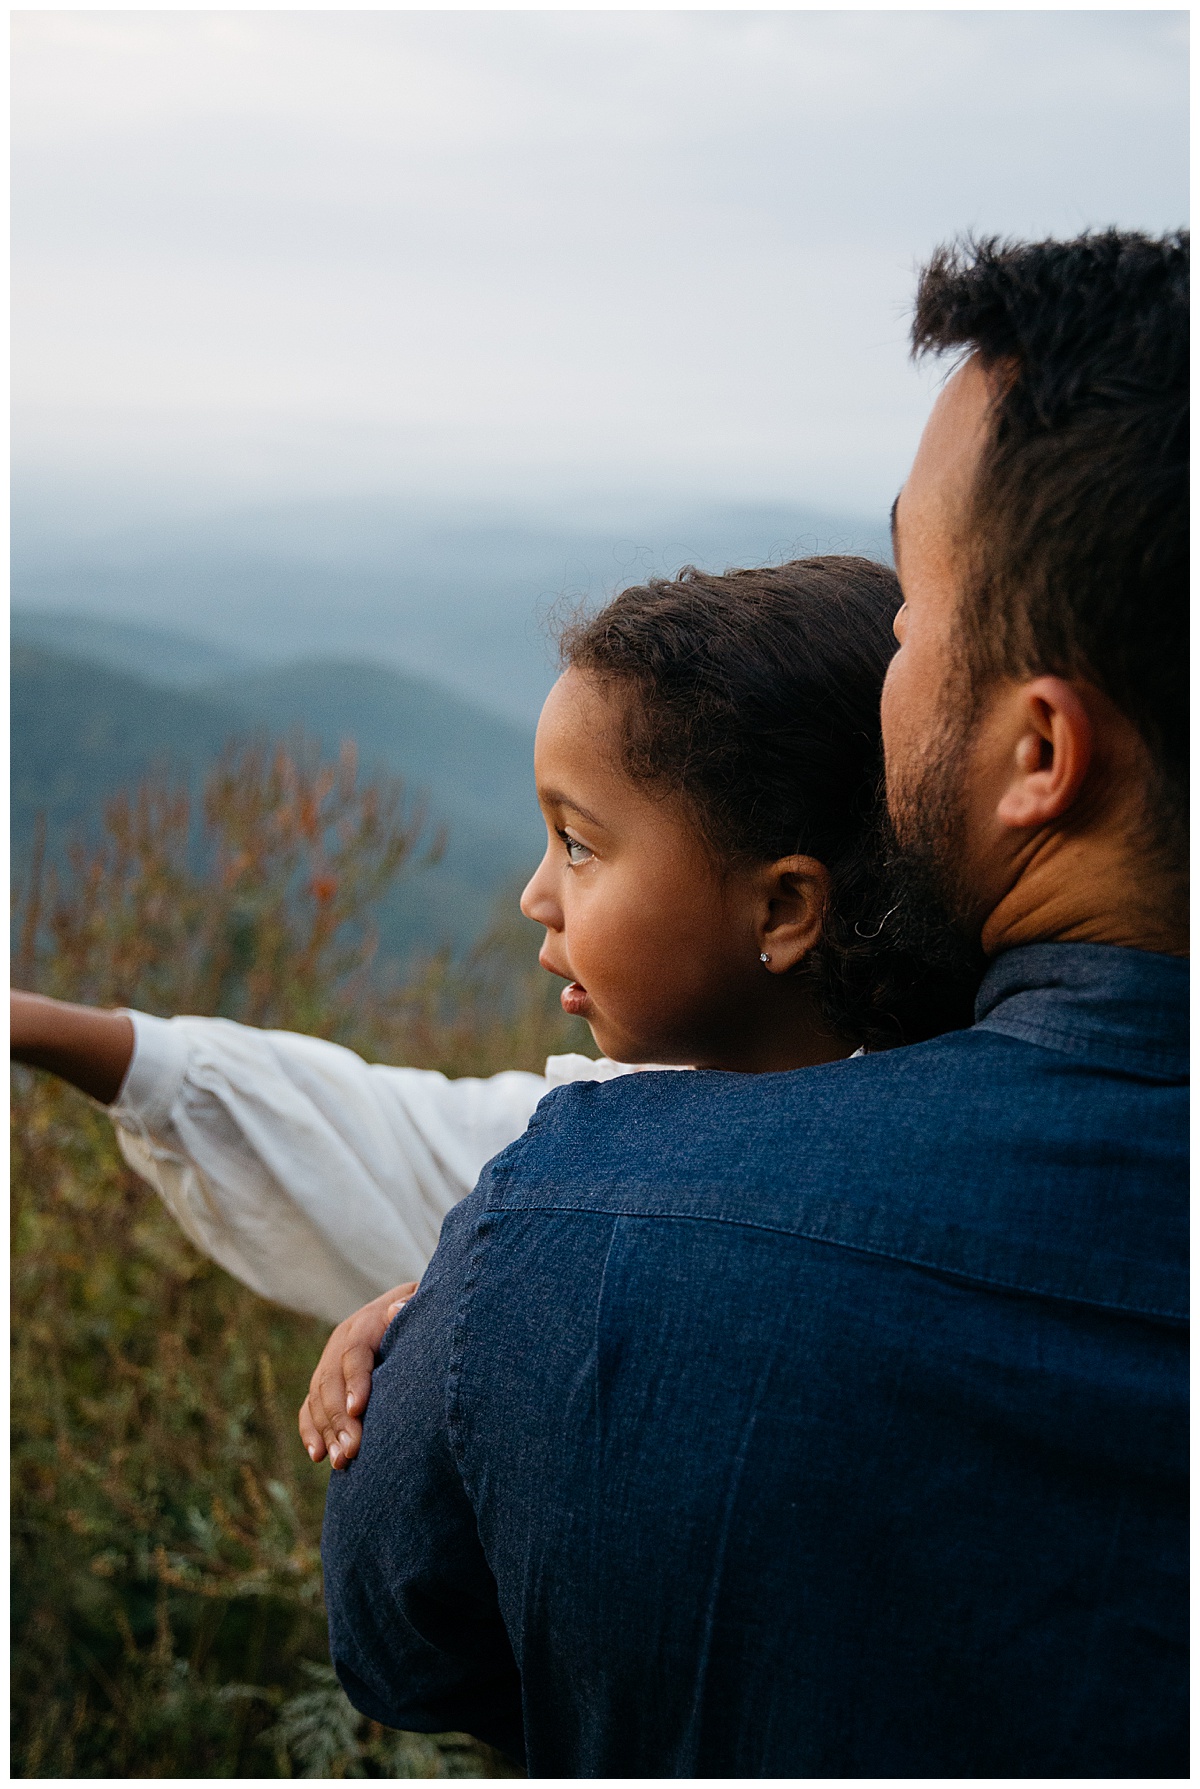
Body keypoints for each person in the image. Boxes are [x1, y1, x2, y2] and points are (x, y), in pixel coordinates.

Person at [320, 229, 1188, 1778]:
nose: (888, 675)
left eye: (915, 615)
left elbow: (397, 1638)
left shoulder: (582, 1233)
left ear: (1039, 754)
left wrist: (451, 1344)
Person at [11, 557, 970, 1446]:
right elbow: (394, 1136)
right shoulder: (612, 1132)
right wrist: (437, 1307)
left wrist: (460, 1321)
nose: (535, 895)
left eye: (580, 844)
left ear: (783, 905)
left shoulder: (811, 1228)